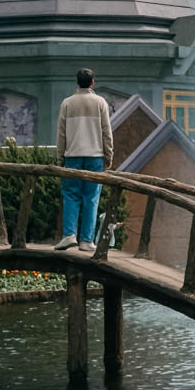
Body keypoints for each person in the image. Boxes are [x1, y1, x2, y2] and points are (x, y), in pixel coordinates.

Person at [55, 68, 114, 253]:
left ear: (77, 82)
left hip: (72, 156)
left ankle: (69, 235)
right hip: (95, 156)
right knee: (91, 198)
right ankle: (86, 240)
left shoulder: (67, 103)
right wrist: (109, 155)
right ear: (92, 82)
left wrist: (59, 157)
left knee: (71, 195)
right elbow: (106, 131)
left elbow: (61, 134)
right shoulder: (100, 102)